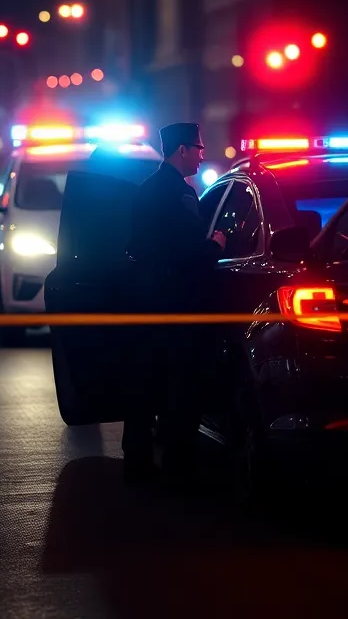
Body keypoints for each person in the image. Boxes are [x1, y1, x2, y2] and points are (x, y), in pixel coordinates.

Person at [124, 122, 226, 483]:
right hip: (178, 300)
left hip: (148, 298)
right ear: (181, 150)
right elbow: (188, 251)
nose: (202, 154)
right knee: (181, 384)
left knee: (145, 381)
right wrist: (216, 243)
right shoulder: (179, 193)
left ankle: (136, 458)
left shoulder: (145, 189)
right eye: (198, 148)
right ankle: (179, 467)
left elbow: (139, 246)